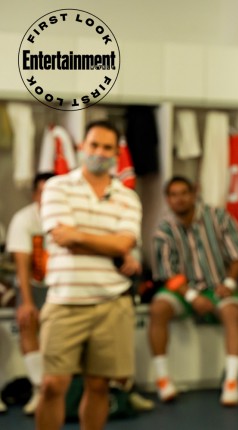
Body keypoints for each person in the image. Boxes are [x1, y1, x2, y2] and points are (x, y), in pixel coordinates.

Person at [36, 120, 142, 430]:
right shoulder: (57, 187)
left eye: (107, 148)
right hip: (65, 301)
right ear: (82, 146)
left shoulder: (128, 197)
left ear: (116, 154)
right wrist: (110, 245)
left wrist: (79, 236)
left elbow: (124, 243)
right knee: (52, 385)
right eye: (94, 145)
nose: (99, 152)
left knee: (99, 386)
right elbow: (62, 238)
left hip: (112, 303)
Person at [149, 175, 238, 406]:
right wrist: (191, 296)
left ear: (194, 193)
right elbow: (167, 272)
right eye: (173, 195)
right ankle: (162, 378)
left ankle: (232, 381)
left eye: (184, 193)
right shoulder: (163, 230)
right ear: (167, 199)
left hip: (218, 286)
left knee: (233, 312)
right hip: (182, 290)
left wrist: (230, 284)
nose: (179, 199)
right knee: (157, 309)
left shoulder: (218, 217)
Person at [5, 172, 54, 415]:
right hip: (32, 284)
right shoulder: (23, 219)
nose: (48, 198)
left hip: (64, 285)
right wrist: (26, 302)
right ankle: (38, 389)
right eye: (43, 192)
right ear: (34, 194)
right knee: (27, 320)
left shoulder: (70, 217)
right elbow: (22, 265)